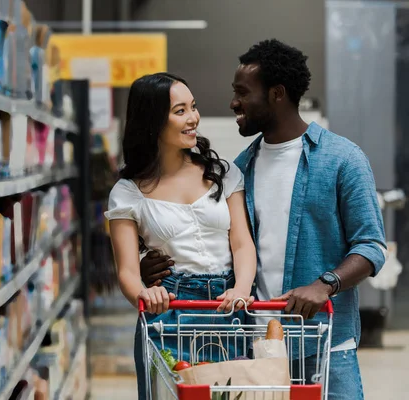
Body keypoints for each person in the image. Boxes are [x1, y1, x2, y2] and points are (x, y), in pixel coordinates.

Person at [139, 39, 387, 400]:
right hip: (255, 345)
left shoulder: (342, 159)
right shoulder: (239, 169)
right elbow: (220, 248)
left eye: (242, 92)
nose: (233, 103)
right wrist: (153, 268)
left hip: (326, 343)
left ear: (277, 94)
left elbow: (372, 246)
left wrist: (325, 284)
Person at [105, 72, 257, 399]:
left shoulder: (224, 173)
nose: (193, 118)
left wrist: (241, 289)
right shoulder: (128, 192)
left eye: (193, 107)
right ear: (153, 121)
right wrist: (144, 296)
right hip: (171, 310)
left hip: (227, 308)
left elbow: (242, 243)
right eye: (180, 111)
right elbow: (128, 271)